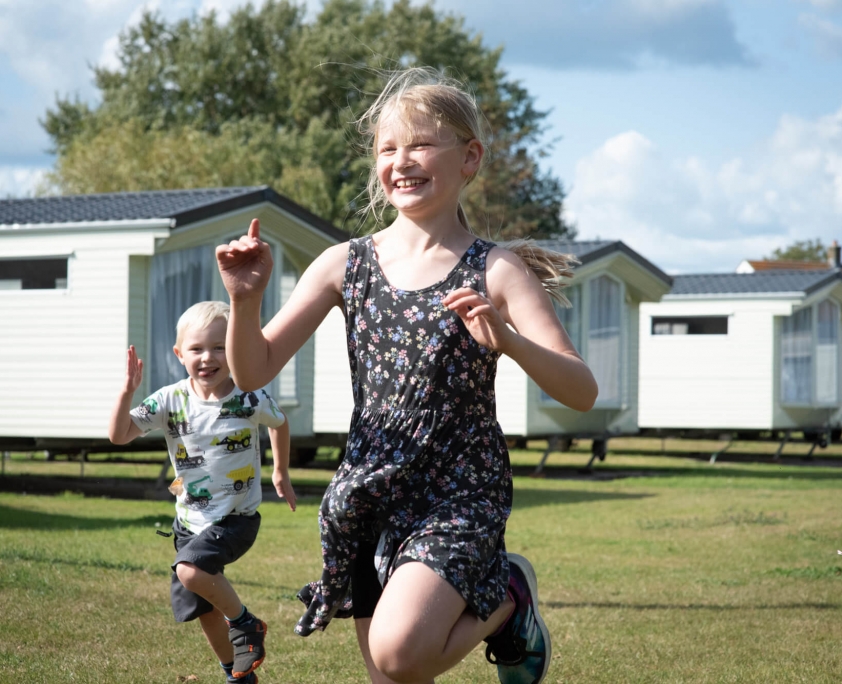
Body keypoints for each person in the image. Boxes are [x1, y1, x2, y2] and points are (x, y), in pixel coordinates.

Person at [216, 67, 598, 684]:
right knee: (388, 677)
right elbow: (253, 367)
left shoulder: (495, 270)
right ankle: (501, 603)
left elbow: (581, 391)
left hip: (458, 491)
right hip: (370, 487)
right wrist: (243, 301)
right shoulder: (345, 263)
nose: (402, 160)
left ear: (469, 158)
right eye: (387, 149)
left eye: (421, 144)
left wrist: (510, 341)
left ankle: (508, 598)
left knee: (401, 655)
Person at [108, 300, 296, 684]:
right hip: (189, 521)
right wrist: (127, 391)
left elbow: (279, 423)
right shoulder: (169, 400)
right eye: (196, 348)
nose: (207, 357)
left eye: (219, 347)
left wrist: (280, 471)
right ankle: (237, 674)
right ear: (179, 354)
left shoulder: (248, 397)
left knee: (191, 571)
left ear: (234, 350)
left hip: (236, 519)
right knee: (205, 608)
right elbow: (119, 435)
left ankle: (247, 624)